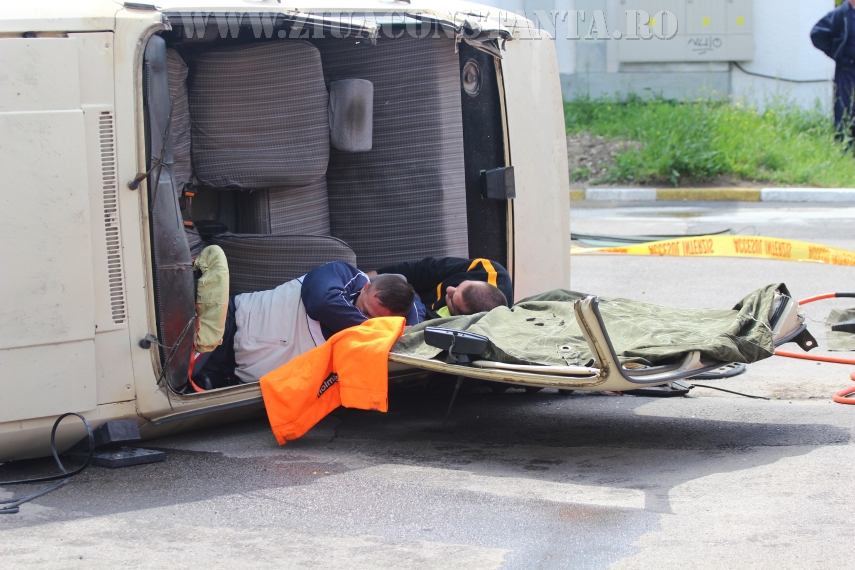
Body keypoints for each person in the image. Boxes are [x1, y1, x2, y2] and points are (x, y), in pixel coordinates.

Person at [193, 261, 415, 389]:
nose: (363, 320)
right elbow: (321, 303)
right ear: (365, 288)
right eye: (365, 310)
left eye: (375, 321)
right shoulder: (341, 273)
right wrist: (377, 331)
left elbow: (414, 320)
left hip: (233, 377)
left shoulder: (377, 336)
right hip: (229, 324)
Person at [368, 257, 512, 321]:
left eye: (452, 299)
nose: (449, 289)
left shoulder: (461, 331)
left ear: (461, 318)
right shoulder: (486, 270)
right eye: (459, 285)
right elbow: (423, 270)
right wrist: (366, 278)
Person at [811, 0, 855, 142]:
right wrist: (838, 55)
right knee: (845, 111)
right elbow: (817, 34)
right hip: (847, 70)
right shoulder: (841, 14)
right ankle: (844, 148)